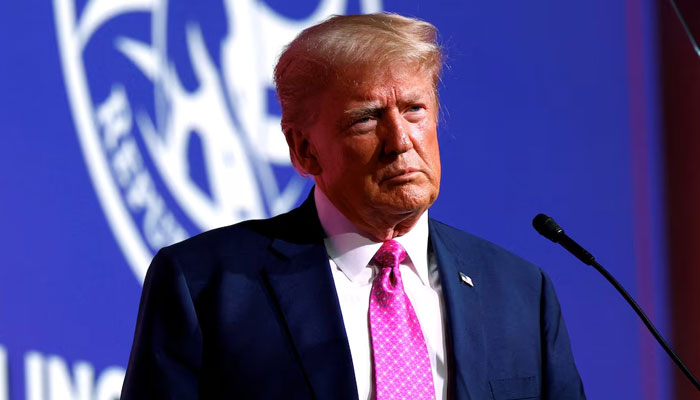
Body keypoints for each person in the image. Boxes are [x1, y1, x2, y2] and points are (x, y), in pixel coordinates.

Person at [121, 13, 585, 399]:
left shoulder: (521, 292)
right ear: (304, 150)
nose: (400, 141)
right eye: (366, 119)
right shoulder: (207, 283)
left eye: (415, 110)